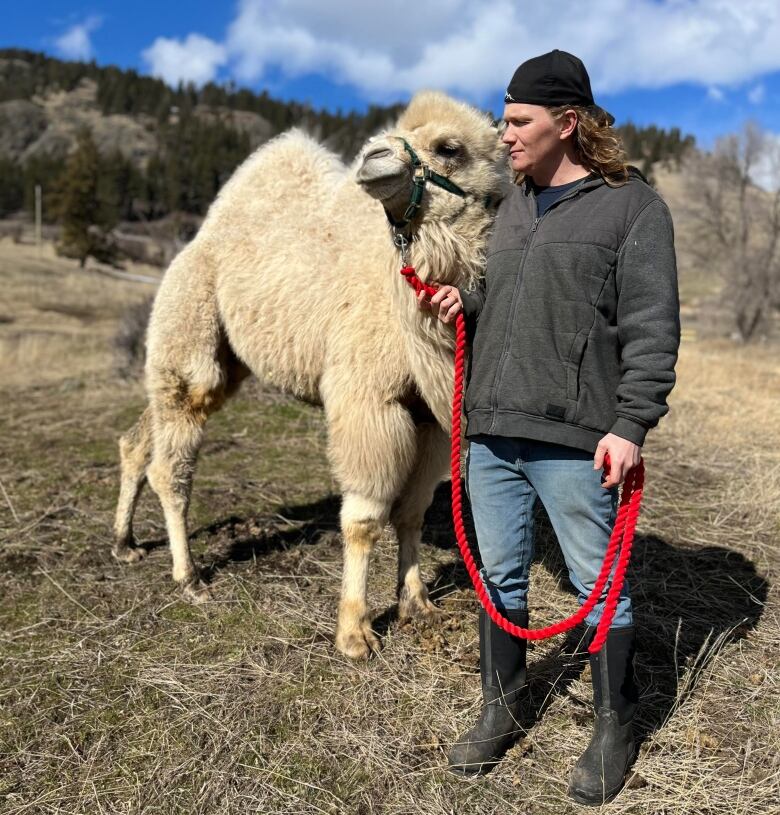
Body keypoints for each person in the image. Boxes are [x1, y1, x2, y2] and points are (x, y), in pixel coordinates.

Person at [418, 50, 680, 804]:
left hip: (577, 434)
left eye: (518, 120)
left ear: (567, 122)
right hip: (491, 430)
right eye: (503, 119)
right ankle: (499, 707)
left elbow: (653, 329)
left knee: (600, 587)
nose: (504, 135)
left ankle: (613, 724)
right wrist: (463, 305)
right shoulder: (512, 210)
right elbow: (504, 304)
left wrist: (630, 424)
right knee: (497, 576)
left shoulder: (634, 209)